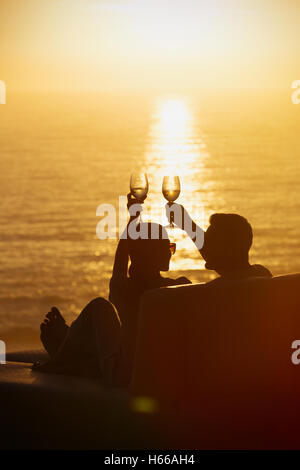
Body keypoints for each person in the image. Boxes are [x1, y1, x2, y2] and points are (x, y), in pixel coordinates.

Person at [33, 195, 190, 383]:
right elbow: (124, 254)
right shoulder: (179, 287)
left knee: (100, 307)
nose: (169, 252)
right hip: (143, 369)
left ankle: (62, 354)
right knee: (105, 327)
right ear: (145, 253)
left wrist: (133, 219)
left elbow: (123, 255)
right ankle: (69, 348)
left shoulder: (125, 289)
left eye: (170, 246)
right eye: (164, 246)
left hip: (128, 373)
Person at [166, 203, 272, 280]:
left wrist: (187, 224)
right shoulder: (262, 274)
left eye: (211, 245)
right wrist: (186, 223)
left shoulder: (211, 292)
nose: (205, 248)